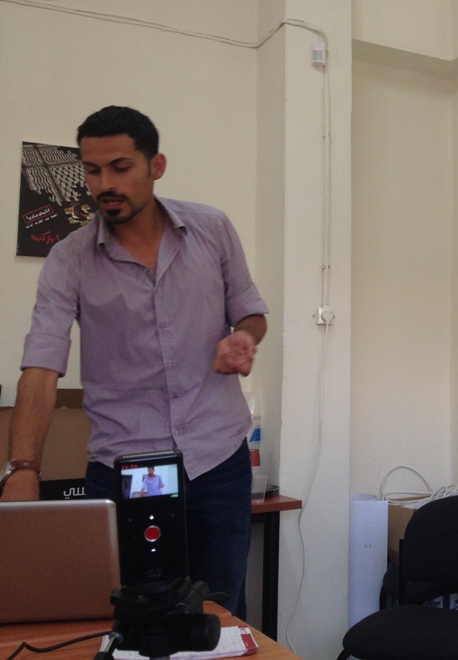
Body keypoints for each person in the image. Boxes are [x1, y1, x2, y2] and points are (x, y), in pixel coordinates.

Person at [1, 106, 268, 618]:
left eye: (120, 167)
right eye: (92, 170)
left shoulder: (212, 229)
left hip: (217, 460)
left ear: (156, 166)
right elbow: (41, 365)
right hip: (128, 469)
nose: (104, 183)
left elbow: (250, 312)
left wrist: (244, 337)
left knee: (221, 616)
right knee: (137, 619)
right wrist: (24, 468)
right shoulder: (69, 259)